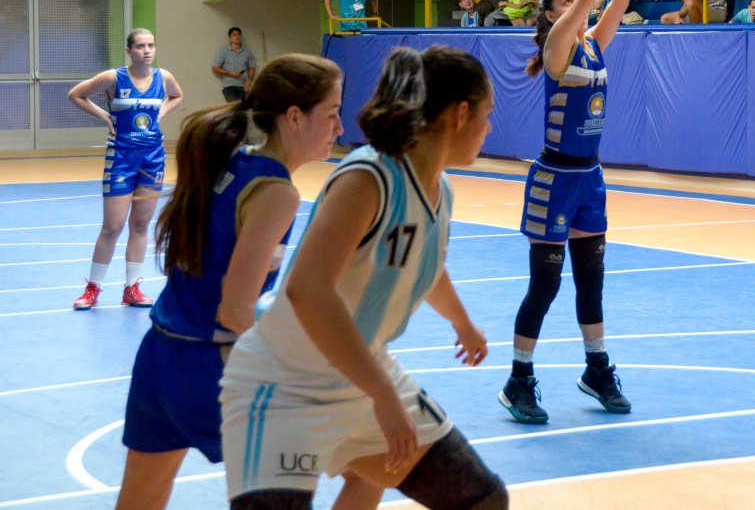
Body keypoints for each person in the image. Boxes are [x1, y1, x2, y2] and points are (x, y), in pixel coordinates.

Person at [220, 45, 506, 510]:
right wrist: (383, 394)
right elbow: (306, 290)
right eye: (487, 114)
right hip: (287, 386)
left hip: (361, 373)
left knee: (482, 500)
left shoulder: (440, 189)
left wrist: (462, 322)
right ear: (460, 114)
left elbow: (420, 265)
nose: (490, 128)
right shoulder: (369, 178)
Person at [115, 55, 342, 510]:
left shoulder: (232, 162)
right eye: (332, 113)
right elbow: (237, 312)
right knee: (363, 448)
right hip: (208, 368)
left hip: (159, 358)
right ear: (294, 117)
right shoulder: (277, 193)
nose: (340, 127)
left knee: (141, 498)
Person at [500, 0, 659, 425]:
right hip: (554, 180)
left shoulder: (593, 42)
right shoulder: (555, 49)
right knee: (544, 287)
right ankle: (518, 380)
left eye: (575, 1)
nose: (578, 6)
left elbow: (616, 0)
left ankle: (597, 369)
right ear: (550, 15)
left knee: (592, 282)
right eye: (566, 2)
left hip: (590, 178)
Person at [69, 29, 184, 310]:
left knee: (141, 224)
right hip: (121, 157)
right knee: (113, 226)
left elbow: (177, 96)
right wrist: (105, 116)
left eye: (151, 45)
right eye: (141, 46)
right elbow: (76, 94)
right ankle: (92, 289)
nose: (147, 50)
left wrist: (161, 113)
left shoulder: (164, 77)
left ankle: (132, 288)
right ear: (129, 51)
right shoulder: (114, 77)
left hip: (153, 157)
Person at [211, 27, 256, 103]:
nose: (236, 36)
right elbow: (215, 68)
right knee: (234, 109)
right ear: (229, 37)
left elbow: (252, 67)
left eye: (238, 34)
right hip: (230, 86)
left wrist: (249, 81)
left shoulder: (247, 51)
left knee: (244, 110)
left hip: (244, 86)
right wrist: (229, 73)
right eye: (234, 35)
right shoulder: (223, 51)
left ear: (241, 36)